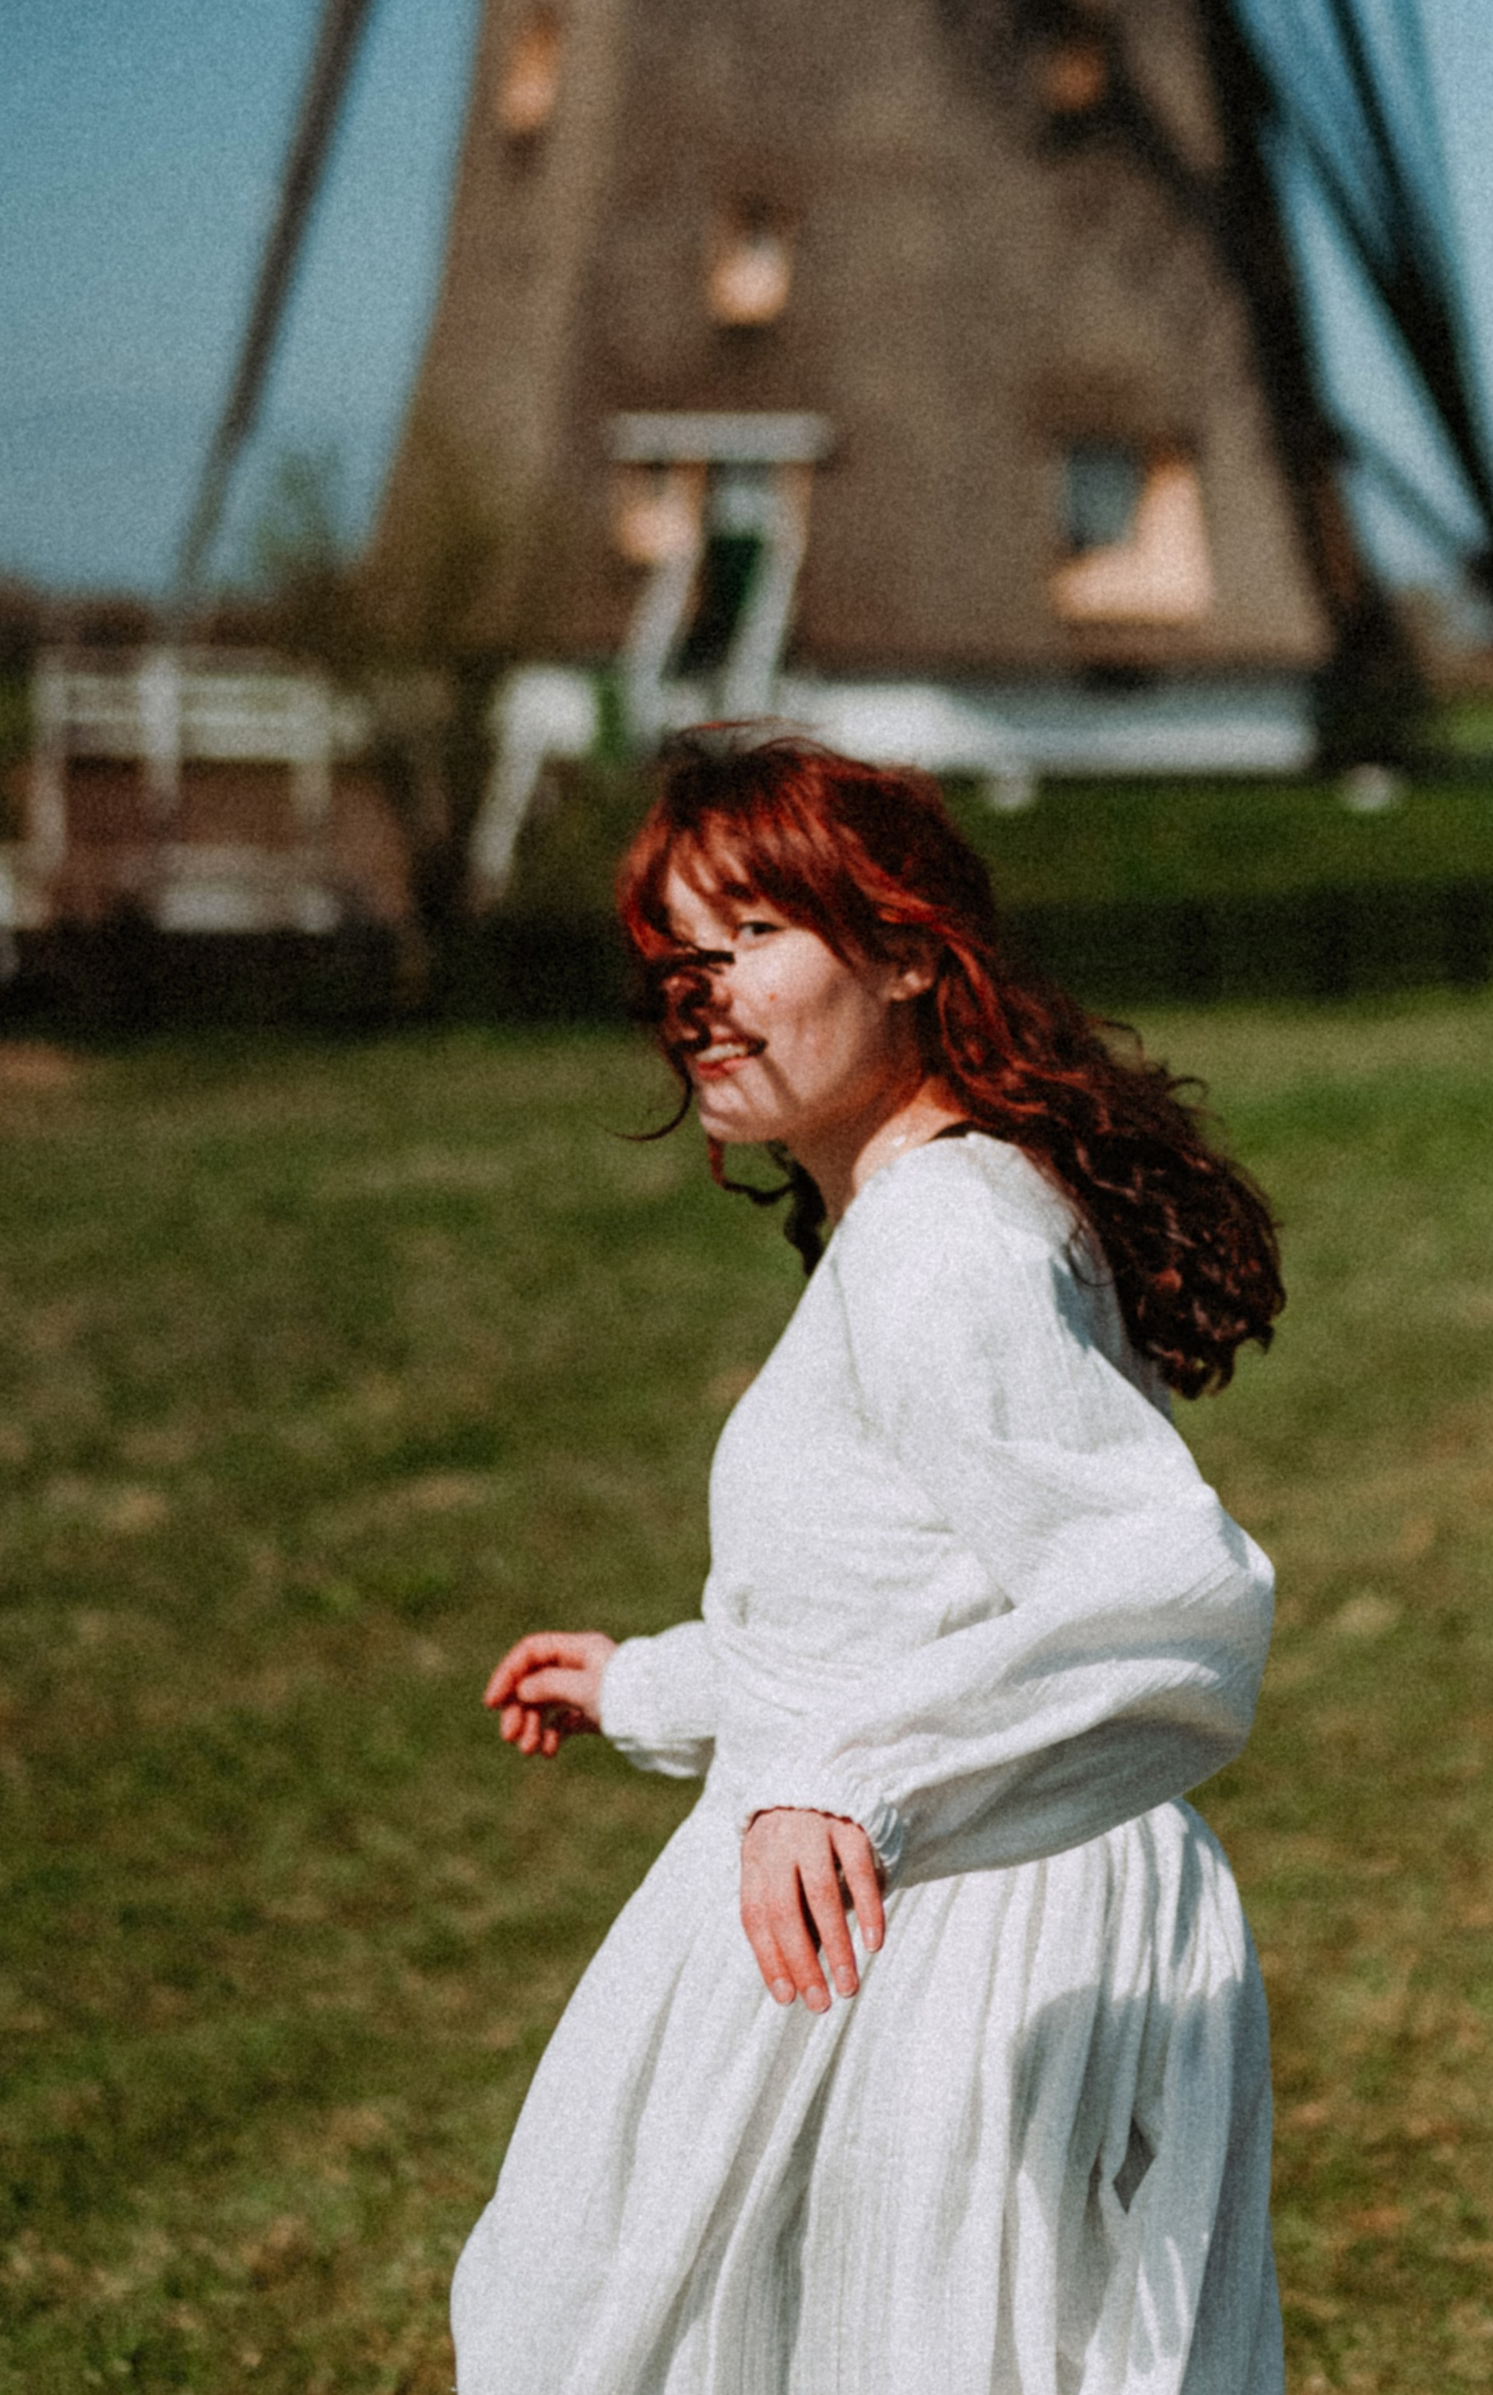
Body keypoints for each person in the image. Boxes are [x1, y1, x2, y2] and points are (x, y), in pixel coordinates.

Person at [455, 729, 1284, 2395]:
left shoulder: (943, 1243)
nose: (701, 991)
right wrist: (649, 1683)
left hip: (964, 1922)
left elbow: (1168, 1594)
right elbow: (896, 1602)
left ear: (909, 950)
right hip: (910, 1879)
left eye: (754, 936)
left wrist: (863, 1784)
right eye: (676, 952)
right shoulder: (918, 1217)